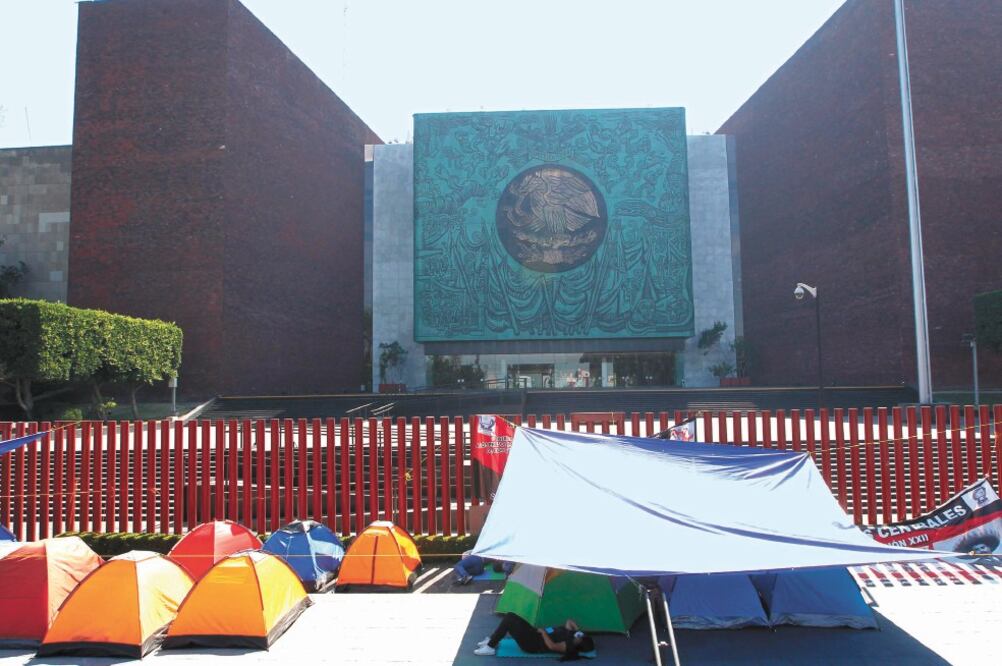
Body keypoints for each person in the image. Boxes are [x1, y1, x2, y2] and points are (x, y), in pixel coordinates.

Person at [474, 614, 594, 661]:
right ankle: (492, 641)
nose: (581, 636)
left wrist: (543, 633)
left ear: (580, 643)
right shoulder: (572, 635)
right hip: (536, 635)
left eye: (582, 637)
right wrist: (578, 631)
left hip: (532, 644)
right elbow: (569, 621)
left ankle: (490, 646)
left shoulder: (569, 646)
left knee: (509, 621)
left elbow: (552, 646)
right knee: (510, 616)